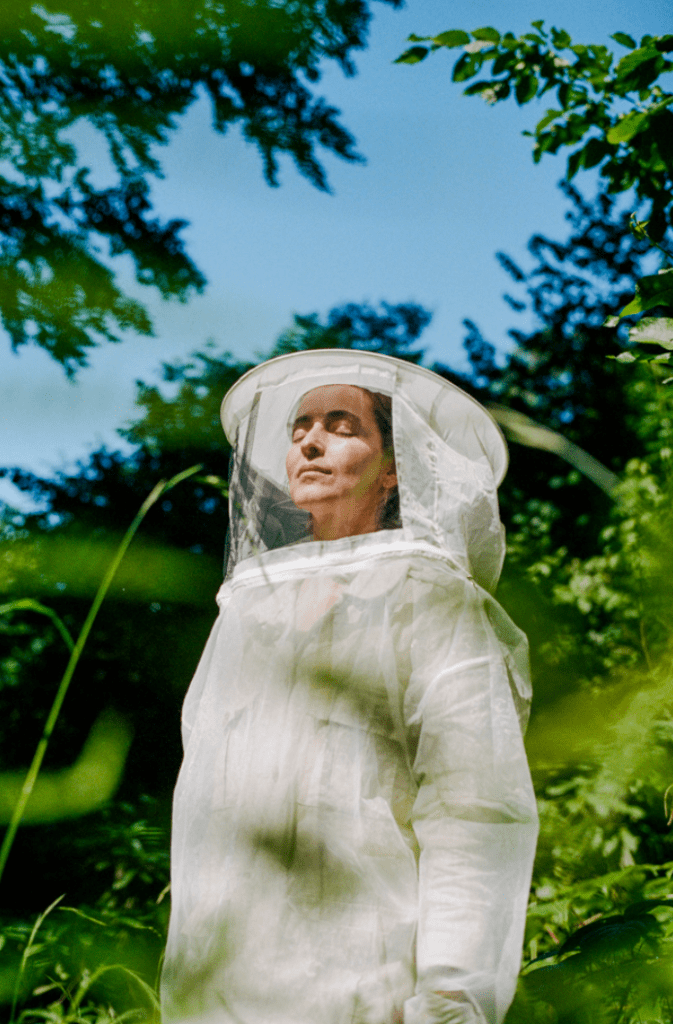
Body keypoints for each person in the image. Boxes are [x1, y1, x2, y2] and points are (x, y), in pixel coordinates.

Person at [161, 349, 538, 1024]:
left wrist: (451, 990)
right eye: (299, 427)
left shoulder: (432, 598)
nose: (309, 442)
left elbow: (474, 807)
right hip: (227, 990)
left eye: (341, 426)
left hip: (370, 984)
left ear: (394, 466)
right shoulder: (249, 614)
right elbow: (204, 819)